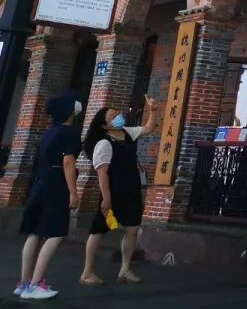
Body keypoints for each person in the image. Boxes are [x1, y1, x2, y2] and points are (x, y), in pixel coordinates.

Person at [79, 96, 156, 285]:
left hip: (131, 188)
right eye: (112, 116)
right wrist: (106, 198)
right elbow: (102, 173)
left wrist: (153, 110)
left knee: (132, 229)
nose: (118, 117)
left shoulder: (126, 132)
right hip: (113, 191)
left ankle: (125, 269)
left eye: (117, 114)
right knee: (99, 230)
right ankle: (87, 272)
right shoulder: (104, 143)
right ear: (104, 125)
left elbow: (148, 128)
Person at [15, 91, 82, 300]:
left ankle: (24, 284)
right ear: (69, 112)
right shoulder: (68, 133)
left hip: (40, 183)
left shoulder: (49, 132)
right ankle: (36, 284)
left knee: (35, 233)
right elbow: (68, 162)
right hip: (56, 184)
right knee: (55, 233)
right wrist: (73, 192)